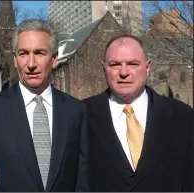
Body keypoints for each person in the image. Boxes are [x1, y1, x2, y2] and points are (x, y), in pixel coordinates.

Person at [0, 19, 90, 192]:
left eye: (39, 53)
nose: (31, 64)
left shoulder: (76, 111)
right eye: (23, 53)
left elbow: (83, 179)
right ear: (15, 60)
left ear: (54, 59)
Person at [83, 34, 194, 191]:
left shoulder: (182, 116)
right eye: (114, 65)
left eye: (133, 64)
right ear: (104, 68)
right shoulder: (80, 116)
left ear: (147, 68)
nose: (124, 72)